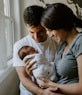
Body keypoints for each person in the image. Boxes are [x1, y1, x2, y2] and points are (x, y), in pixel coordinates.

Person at [13, 5, 63, 95]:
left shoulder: (57, 43)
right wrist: (42, 92)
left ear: (45, 25)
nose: (36, 37)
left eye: (40, 31)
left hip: (53, 90)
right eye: (31, 32)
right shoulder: (19, 46)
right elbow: (23, 77)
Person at [37, 3, 82, 95]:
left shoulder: (80, 42)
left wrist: (50, 85)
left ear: (62, 24)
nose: (50, 35)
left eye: (51, 30)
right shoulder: (62, 45)